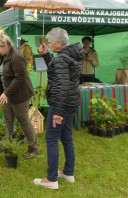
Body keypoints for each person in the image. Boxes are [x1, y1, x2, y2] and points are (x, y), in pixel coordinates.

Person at [33, 27, 83, 190]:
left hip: (62, 103)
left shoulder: (63, 58)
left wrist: (58, 113)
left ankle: (51, 179)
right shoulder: (68, 55)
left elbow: (61, 85)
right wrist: (46, 54)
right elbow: (56, 72)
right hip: (71, 101)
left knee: (52, 138)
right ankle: (68, 173)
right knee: (66, 135)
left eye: (50, 42)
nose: (48, 43)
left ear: (59, 43)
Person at [0, 30, 38, 159]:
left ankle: (33, 148)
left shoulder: (17, 57)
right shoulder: (5, 57)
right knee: (8, 120)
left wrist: (6, 93)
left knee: (23, 120)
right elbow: (3, 71)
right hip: (7, 95)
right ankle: (6, 144)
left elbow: (20, 77)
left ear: (5, 46)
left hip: (19, 95)